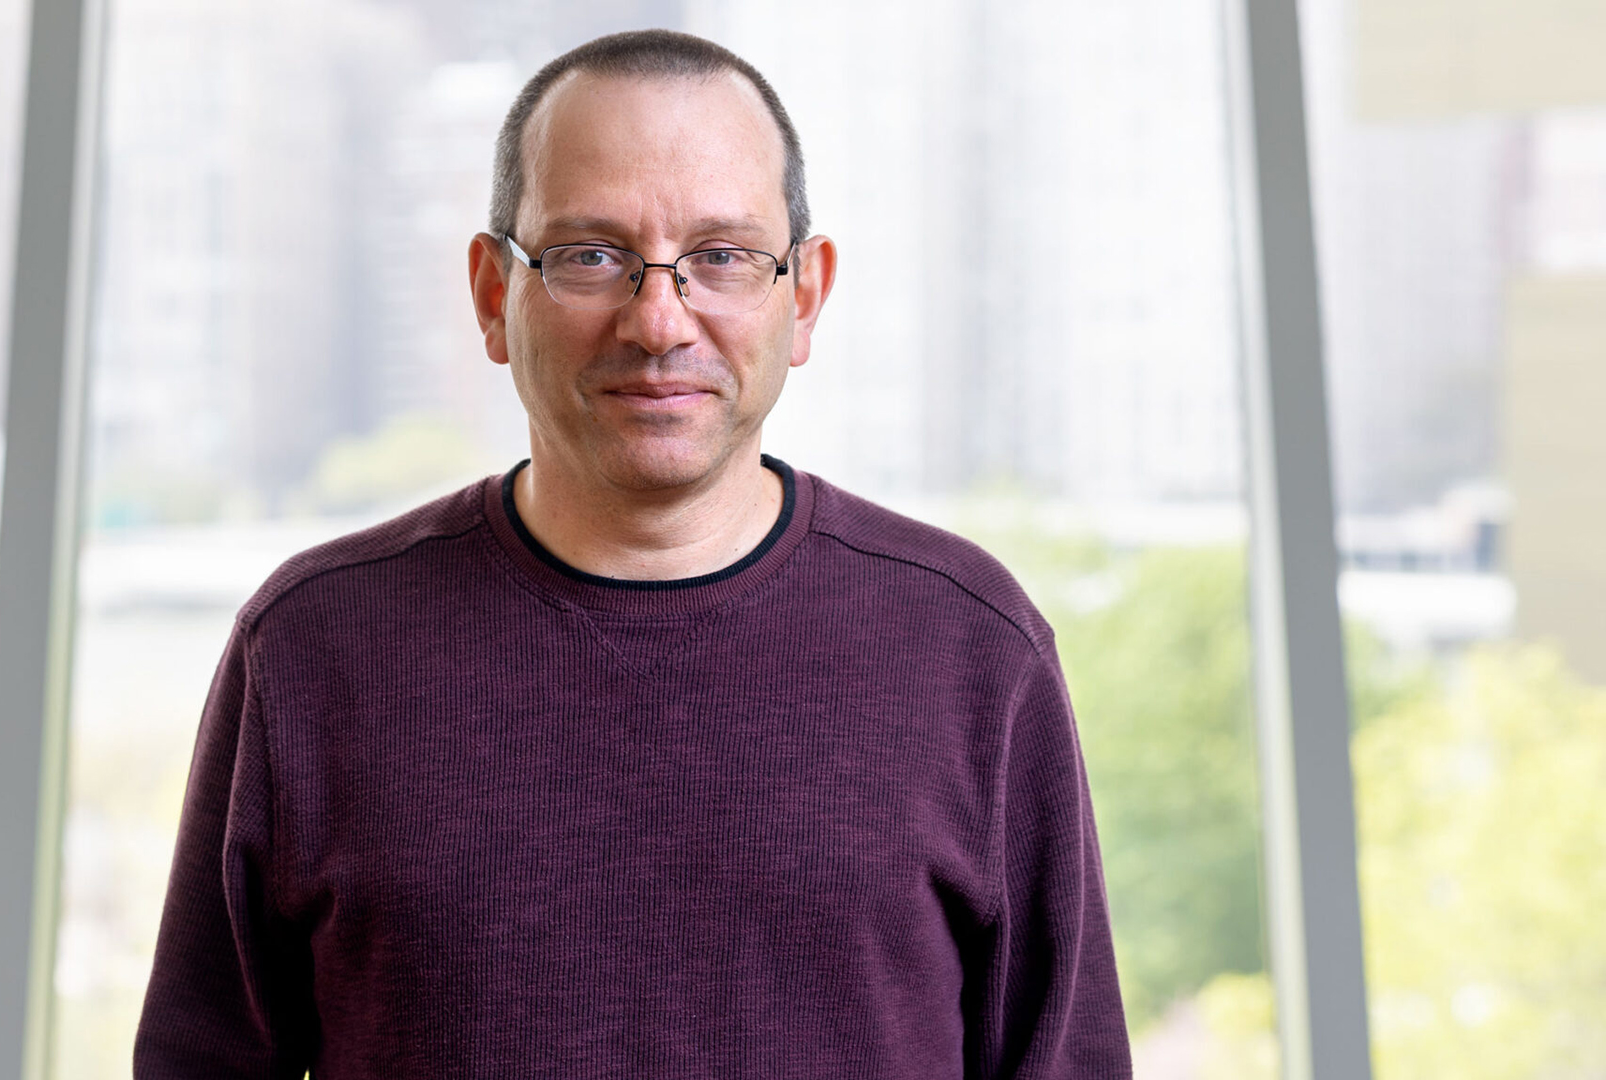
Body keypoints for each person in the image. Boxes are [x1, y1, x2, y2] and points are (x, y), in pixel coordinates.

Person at [135, 28, 1132, 1080]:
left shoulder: (971, 647)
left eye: (722, 256)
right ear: (490, 294)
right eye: (591, 255)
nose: (660, 321)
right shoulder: (311, 648)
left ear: (804, 295)